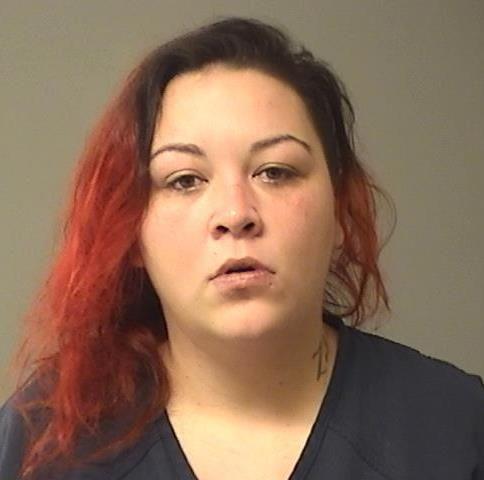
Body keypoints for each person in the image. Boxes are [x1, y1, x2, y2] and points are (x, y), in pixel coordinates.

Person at [0, 16, 482, 480]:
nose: (235, 213)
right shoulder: (44, 440)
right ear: (131, 232)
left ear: (340, 210)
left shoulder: (457, 424)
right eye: (184, 180)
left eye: (275, 172)